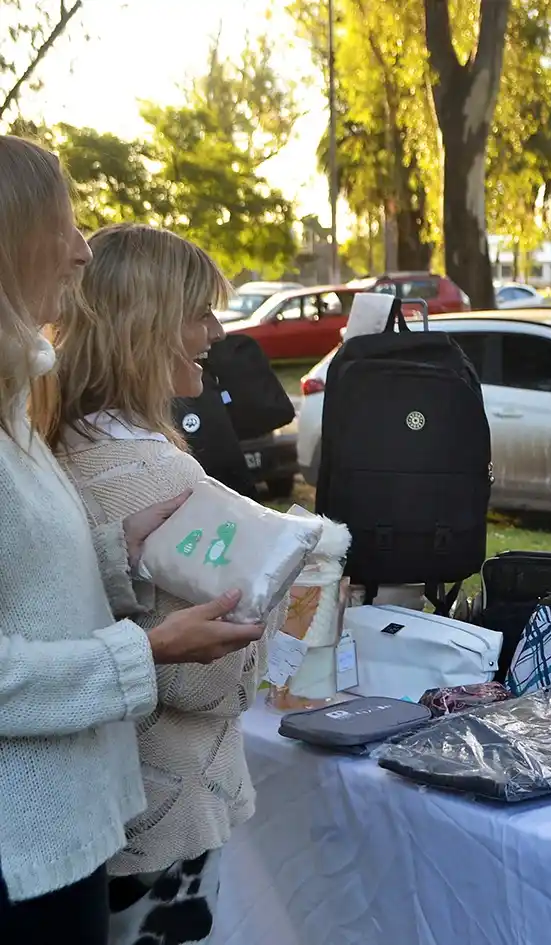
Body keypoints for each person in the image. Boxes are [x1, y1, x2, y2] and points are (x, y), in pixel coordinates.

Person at [0, 138, 262, 945]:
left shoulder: (28, 417)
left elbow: (29, 586)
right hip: (43, 852)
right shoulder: (127, 457)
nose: (83, 247)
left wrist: (113, 552)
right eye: (65, 223)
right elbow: (209, 681)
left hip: (70, 835)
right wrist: (149, 655)